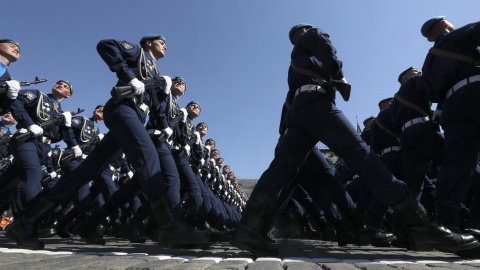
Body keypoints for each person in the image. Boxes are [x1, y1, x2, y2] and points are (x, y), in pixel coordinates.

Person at [230, 23, 478, 256]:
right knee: (362, 155)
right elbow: (329, 52)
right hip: (318, 105)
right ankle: (420, 225)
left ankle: (248, 228)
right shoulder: (313, 34)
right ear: (305, 30)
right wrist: (338, 77)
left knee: (281, 169)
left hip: (300, 112)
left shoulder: (295, 63)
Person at [6, 34, 206, 250]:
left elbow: (157, 113)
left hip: (135, 116)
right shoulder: (138, 53)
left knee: (86, 171)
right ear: (149, 43)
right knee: (148, 155)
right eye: (161, 42)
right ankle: (168, 225)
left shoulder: (157, 73)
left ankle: (32, 223)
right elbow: (106, 45)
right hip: (123, 110)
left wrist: (164, 92)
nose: (165, 45)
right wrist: (129, 77)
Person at [421, 16, 480, 240]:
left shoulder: (429, 63)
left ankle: (447, 225)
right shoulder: (456, 35)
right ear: (445, 25)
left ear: (429, 39)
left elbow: (431, 94)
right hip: (476, 92)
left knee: (458, 163)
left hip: (452, 108)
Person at [0, 39, 21, 115]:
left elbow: (1, 111)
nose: (17, 49)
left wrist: (10, 97)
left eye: (19, 50)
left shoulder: (9, 80)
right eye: (12, 46)